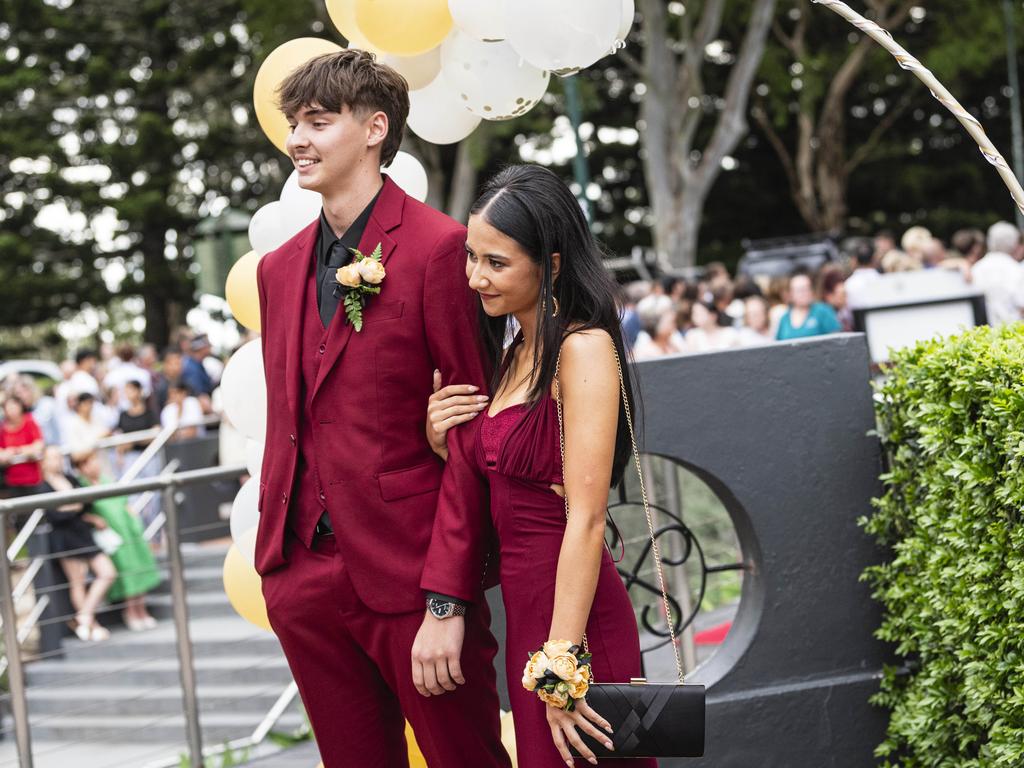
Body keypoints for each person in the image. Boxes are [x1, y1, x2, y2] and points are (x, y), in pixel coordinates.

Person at [253, 50, 509, 767]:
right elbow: (289, 422)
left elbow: (468, 434)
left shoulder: (438, 249)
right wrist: (281, 577)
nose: (298, 139)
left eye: (317, 121)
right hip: (304, 578)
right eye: (293, 124)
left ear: (374, 128)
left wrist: (447, 601)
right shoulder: (277, 272)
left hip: (413, 576)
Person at [423, 165, 654, 767]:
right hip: (529, 619)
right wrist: (444, 436)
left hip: (573, 624)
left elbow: (586, 518)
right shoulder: (513, 352)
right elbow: (500, 471)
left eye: (496, 263)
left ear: (550, 265)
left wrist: (562, 660)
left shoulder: (583, 348)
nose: (475, 277)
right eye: (472, 257)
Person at [73, 449, 160, 631]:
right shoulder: (81, 487)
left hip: (130, 531)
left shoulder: (108, 480)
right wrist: (95, 520)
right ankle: (131, 612)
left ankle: (142, 610)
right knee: (126, 573)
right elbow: (82, 513)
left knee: (139, 568)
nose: (93, 465)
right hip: (113, 538)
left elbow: (124, 503)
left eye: (94, 460)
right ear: (81, 468)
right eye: (87, 463)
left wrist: (136, 524)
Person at [40, 446, 116, 642]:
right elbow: (54, 515)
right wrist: (75, 507)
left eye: (59, 457)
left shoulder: (70, 478)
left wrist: (73, 508)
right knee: (78, 580)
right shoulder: (43, 486)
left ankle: (84, 616)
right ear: (44, 461)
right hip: (65, 538)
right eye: (52, 458)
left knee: (107, 572)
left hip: (82, 533)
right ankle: (91, 625)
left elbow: (86, 502)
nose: (57, 461)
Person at [969, 221, 1024, 326]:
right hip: (1015, 331)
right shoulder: (1015, 269)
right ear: (1014, 243)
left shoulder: (976, 268)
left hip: (985, 332)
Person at [0, 396, 45, 499]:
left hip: (33, 477)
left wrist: (16, 451)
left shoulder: (29, 421)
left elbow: (38, 446)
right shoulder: (2, 429)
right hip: (13, 479)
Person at [776, 271, 843, 341]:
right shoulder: (784, 318)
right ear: (791, 293)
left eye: (808, 288)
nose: (805, 293)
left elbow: (837, 338)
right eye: (800, 290)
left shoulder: (823, 311)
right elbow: (778, 343)